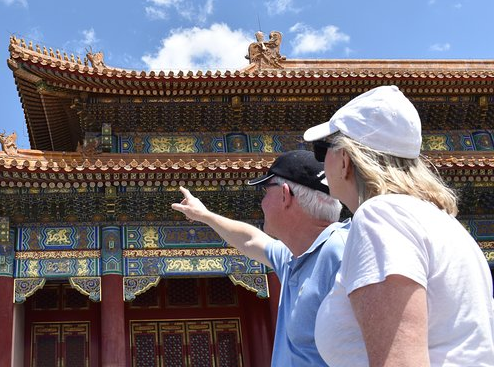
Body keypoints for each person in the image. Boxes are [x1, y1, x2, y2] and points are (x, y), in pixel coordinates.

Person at [305, 85, 494, 367]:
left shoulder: (380, 216)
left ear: (346, 159)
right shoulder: (441, 221)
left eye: (323, 150)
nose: (321, 162)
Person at [171, 150, 349, 366]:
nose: (262, 202)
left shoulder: (342, 251)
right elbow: (251, 240)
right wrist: (205, 215)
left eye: (265, 191)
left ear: (285, 195)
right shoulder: (293, 257)